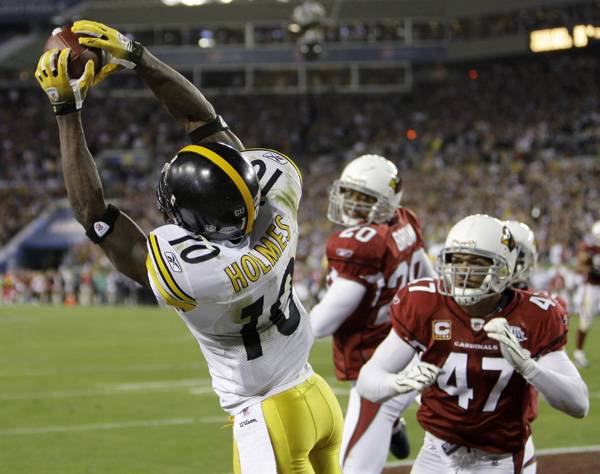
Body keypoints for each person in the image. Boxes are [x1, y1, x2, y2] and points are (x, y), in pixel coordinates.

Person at [35, 20, 343, 474]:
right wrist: (138, 56)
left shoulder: (201, 274)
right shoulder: (278, 195)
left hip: (269, 418)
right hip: (315, 397)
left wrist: (67, 110)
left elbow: (95, 217)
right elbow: (207, 127)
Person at [356, 214, 589, 474]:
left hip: (496, 461)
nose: (462, 272)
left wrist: (528, 368)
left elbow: (578, 404)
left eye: (476, 263)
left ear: (504, 268)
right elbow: (368, 380)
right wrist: (396, 383)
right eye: (456, 260)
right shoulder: (424, 302)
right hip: (435, 455)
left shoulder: (536, 316)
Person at [310, 154, 434, 473]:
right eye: (348, 194)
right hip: (415, 347)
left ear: (386, 201)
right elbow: (430, 280)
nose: (351, 205)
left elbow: (323, 323)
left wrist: (283, 329)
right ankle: (391, 424)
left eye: (363, 198)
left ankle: (388, 420)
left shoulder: (361, 243)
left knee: (349, 467)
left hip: (377, 364)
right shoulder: (405, 220)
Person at [573, 220, 600, 368]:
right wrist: (592, 270)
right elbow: (579, 267)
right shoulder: (590, 249)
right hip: (592, 288)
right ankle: (578, 353)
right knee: (586, 320)